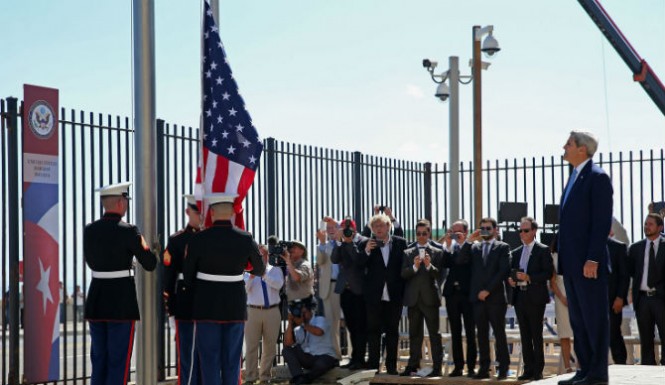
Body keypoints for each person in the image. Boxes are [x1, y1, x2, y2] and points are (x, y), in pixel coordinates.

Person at [183, 193, 265, 385]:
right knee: (231, 360)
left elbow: (188, 277)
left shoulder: (198, 239)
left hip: (206, 307)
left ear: (211, 212)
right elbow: (260, 269)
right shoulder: (245, 239)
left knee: (209, 360)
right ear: (232, 212)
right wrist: (241, 265)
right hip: (234, 307)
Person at [83, 181, 158, 385]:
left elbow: (90, 261)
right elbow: (150, 263)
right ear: (119, 202)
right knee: (119, 361)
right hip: (121, 302)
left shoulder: (90, 230)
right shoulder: (129, 231)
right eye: (125, 200)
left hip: (97, 299)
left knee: (99, 359)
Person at [557, 131, 613, 385]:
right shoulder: (573, 177)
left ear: (582, 149)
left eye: (568, 144)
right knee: (578, 320)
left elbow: (601, 221)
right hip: (571, 264)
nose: (564, 147)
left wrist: (592, 258)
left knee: (594, 319)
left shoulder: (597, 177)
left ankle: (598, 373)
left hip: (588, 264)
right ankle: (584, 370)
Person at [458, 217, 511, 380]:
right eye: (482, 228)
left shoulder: (503, 247)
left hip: (495, 298)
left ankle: (503, 368)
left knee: (499, 334)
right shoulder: (474, 248)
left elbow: (503, 271)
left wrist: (487, 290)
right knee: (481, 335)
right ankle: (484, 368)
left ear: (495, 230)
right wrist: (468, 241)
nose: (485, 231)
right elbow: (460, 260)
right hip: (478, 299)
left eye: (488, 228)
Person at [357, 213, 407, 375]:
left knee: (392, 331)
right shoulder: (365, 243)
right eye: (375, 226)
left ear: (388, 226)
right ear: (371, 229)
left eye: (381, 225)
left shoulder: (400, 243)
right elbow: (359, 264)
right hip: (373, 296)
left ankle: (391, 366)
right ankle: (373, 365)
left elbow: (404, 267)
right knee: (373, 331)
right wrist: (367, 251)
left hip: (394, 295)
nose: (378, 228)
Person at [162, 195, 202, 385]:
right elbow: (168, 278)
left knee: (208, 355)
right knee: (186, 354)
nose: (201, 215)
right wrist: (170, 310)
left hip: (209, 303)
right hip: (185, 303)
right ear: (187, 212)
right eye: (197, 211)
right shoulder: (177, 240)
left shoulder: (211, 237)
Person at [507, 217, 553, 381]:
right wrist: (511, 280)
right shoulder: (516, 252)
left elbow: (548, 273)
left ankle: (538, 370)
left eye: (525, 230)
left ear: (534, 231)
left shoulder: (543, 250)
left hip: (535, 297)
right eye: (520, 230)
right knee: (524, 335)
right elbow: (511, 272)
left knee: (536, 334)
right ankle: (528, 369)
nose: (522, 233)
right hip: (520, 296)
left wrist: (530, 277)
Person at [399, 219, 444, 377]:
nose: (421, 236)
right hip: (413, 299)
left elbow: (440, 275)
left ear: (429, 233)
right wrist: (414, 267)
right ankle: (413, 366)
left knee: (434, 334)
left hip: (430, 298)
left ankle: (437, 366)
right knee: (414, 334)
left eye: (424, 233)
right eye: (418, 233)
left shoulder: (437, 252)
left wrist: (429, 266)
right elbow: (403, 274)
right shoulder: (408, 252)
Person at [440, 219, 477, 378]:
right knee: (455, 332)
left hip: (467, 294)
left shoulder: (472, 247)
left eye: (458, 231)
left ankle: (470, 367)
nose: (455, 234)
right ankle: (458, 366)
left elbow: (463, 261)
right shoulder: (450, 248)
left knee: (470, 332)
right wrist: (448, 244)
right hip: (452, 294)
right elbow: (445, 263)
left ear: (466, 232)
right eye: (452, 231)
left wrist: (465, 242)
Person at [627, 213, 664, 366]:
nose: (646, 227)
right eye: (645, 224)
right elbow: (628, 272)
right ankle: (647, 371)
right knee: (645, 339)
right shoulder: (635, 248)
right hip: (642, 300)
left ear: (660, 227)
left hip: (662, 299)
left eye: (650, 224)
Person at [330, 217, 368, 370]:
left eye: (348, 228)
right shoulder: (341, 241)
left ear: (354, 228)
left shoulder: (363, 241)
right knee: (351, 326)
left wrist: (349, 242)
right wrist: (339, 242)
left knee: (360, 326)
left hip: (359, 290)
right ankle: (354, 358)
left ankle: (360, 358)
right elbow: (334, 259)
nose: (346, 230)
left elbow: (358, 260)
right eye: (343, 228)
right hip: (345, 290)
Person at [244, 244, 285, 384]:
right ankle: (250, 377)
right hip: (253, 311)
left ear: (268, 256)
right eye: (259, 255)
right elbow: (245, 290)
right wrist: (251, 277)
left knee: (270, 346)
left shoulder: (275, 270)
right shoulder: (247, 272)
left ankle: (265, 377)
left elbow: (279, 285)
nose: (262, 257)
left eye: (264, 255)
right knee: (251, 346)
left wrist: (264, 275)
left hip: (272, 311)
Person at [282, 297, 339, 385]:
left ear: (310, 311)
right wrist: (290, 323)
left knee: (322, 364)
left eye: (304, 312)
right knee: (287, 350)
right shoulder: (299, 328)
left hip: (324, 357)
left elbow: (318, 332)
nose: (302, 315)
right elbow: (288, 343)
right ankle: (298, 377)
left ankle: (306, 379)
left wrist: (303, 324)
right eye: (300, 313)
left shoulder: (320, 320)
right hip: (308, 358)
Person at [315, 216, 342, 359]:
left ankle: (354, 356)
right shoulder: (323, 245)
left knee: (352, 323)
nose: (331, 230)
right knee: (332, 323)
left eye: (334, 227)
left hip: (347, 287)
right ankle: (337, 356)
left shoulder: (346, 242)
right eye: (329, 228)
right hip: (330, 287)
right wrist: (322, 242)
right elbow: (320, 261)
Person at [550, 233, 575, 374]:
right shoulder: (553, 257)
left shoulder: (577, 255)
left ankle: (580, 364)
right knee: (565, 334)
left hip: (577, 298)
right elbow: (552, 282)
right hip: (561, 299)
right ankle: (567, 367)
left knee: (579, 333)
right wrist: (562, 297)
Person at [606, 233, 629, 365]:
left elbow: (624, 275)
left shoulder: (618, 247)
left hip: (613, 301)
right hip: (593, 302)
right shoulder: (588, 246)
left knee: (614, 334)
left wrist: (620, 297)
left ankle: (621, 364)